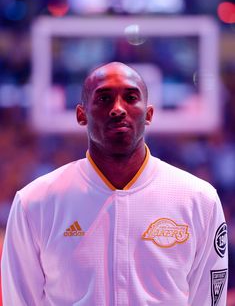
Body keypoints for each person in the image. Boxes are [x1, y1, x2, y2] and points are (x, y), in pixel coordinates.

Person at [1, 62, 228, 305]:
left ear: (149, 114)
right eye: (104, 98)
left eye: (131, 97)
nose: (118, 109)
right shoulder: (35, 201)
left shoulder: (198, 199)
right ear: (81, 115)